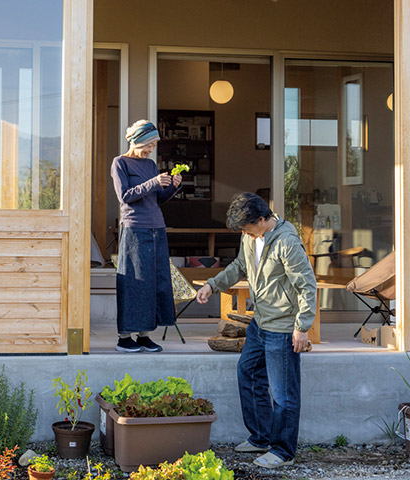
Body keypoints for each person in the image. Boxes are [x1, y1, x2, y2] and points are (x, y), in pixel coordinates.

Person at [196, 192, 316, 468]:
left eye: (247, 228)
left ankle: (283, 451)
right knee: (247, 372)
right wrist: (212, 284)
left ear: (262, 220)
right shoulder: (249, 238)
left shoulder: (287, 243)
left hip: (283, 327)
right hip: (259, 322)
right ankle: (261, 436)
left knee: (283, 392)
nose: (245, 233)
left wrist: (302, 328)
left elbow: (307, 286)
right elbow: (240, 266)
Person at [110, 120, 182, 353]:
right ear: (136, 140)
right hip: (134, 229)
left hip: (157, 228)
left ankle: (144, 335)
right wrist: (154, 182)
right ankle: (124, 337)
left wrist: (172, 187)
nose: (151, 149)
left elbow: (157, 199)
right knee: (134, 282)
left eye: (153, 145)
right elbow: (125, 196)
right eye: (148, 145)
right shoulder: (120, 163)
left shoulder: (151, 165)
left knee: (154, 282)